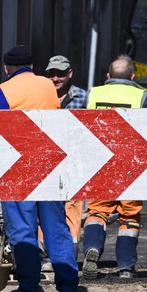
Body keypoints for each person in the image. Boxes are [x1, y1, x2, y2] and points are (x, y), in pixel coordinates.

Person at [0, 45, 84, 292]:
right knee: (55, 226)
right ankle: (68, 284)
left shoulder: (2, 91)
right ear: (32, 68)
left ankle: (30, 286)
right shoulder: (48, 86)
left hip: (17, 169)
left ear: (7, 68)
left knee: (22, 230)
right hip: (50, 164)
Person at [82, 55, 147, 280]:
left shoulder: (94, 94)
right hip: (130, 166)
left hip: (99, 163)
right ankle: (125, 267)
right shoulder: (141, 96)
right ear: (132, 77)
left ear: (108, 76)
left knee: (97, 212)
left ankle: (92, 248)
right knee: (129, 217)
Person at [45, 55, 87, 257]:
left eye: (60, 74)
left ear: (69, 74)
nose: (55, 79)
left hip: (74, 160)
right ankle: (44, 251)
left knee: (72, 204)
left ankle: (69, 251)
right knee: (46, 204)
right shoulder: (42, 95)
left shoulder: (82, 97)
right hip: (47, 159)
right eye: (52, 74)